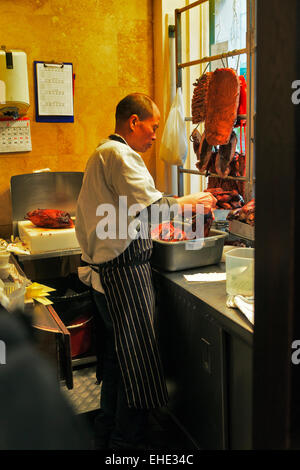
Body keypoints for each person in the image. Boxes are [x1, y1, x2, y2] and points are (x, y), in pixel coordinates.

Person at [75, 93, 216, 450]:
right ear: (134, 122)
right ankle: (126, 446)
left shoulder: (103, 152)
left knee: (117, 363)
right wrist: (191, 202)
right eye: (153, 127)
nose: (156, 135)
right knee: (135, 369)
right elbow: (154, 211)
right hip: (123, 276)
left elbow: (136, 210)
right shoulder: (121, 155)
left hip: (107, 275)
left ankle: (106, 435)